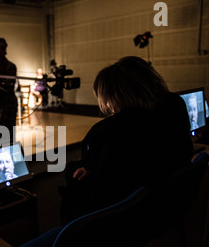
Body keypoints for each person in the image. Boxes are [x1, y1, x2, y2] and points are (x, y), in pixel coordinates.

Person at [60, 56, 193, 224]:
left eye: (106, 100)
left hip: (132, 216)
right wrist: (95, 164)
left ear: (116, 95)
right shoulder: (176, 105)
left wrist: (92, 166)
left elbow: (104, 192)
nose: (107, 106)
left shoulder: (111, 130)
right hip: (172, 202)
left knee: (73, 171)